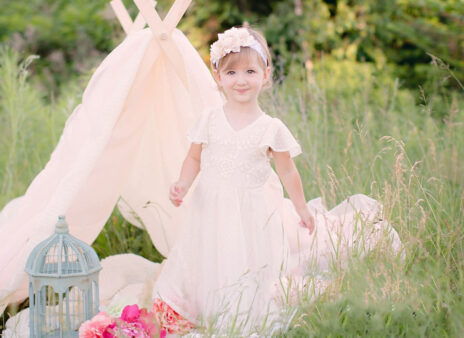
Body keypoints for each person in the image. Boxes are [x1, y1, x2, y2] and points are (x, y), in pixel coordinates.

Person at [150, 26, 400, 335]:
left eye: (250, 71)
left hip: (251, 213)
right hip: (210, 208)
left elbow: (287, 172)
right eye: (231, 73)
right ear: (218, 76)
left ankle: (241, 312)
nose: (240, 80)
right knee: (209, 258)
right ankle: (203, 307)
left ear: (266, 74)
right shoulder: (209, 120)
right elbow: (193, 159)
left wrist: (301, 209)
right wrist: (182, 184)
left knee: (244, 264)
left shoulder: (270, 127)